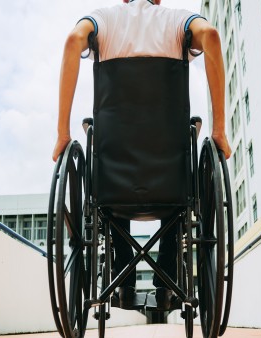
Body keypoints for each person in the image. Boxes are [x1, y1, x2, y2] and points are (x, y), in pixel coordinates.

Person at [52, 0, 232, 310]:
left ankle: (123, 287)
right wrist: (218, 131)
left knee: (112, 194)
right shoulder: (177, 20)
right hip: (171, 183)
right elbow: (212, 36)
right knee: (178, 185)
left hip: (113, 185)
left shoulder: (104, 19)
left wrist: (62, 134)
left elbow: (72, 42)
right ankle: (165, 289)